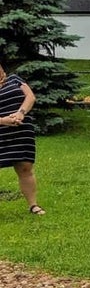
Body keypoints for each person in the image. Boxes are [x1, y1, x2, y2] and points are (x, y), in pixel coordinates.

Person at [0, 62, 45, 215]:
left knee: (25, 167)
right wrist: (3, 120)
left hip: (21, 130)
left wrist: (20, 113)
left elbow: (30, 97)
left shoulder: (14, 79)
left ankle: (33, 205)